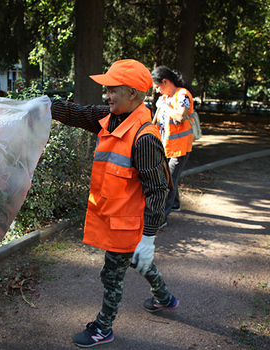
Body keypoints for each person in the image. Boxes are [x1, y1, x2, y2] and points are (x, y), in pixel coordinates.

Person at [51, 59, 179, 348]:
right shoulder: (111, 115)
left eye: (112, 90)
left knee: (112, 275)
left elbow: (158, 191)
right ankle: (165, 298)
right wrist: (44, 105)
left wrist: (149, 238)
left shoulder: (145, 137)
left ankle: (103, 328)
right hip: (116, 217)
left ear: (132, 93)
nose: (106, 96)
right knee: (140, 263)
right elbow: (78, 113)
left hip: (129, 223)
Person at [151, 66, 194, 227]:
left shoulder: (182, 95)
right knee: (170, 177)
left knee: (168, 181)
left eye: (157, 86)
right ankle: (175, 204)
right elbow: (157, 122)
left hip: (180, 147)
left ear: (165, 81)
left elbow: (181, 116)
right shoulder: (165, 98)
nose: (157, 90)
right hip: (166, 146)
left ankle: (162, 218)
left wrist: (165, 106)